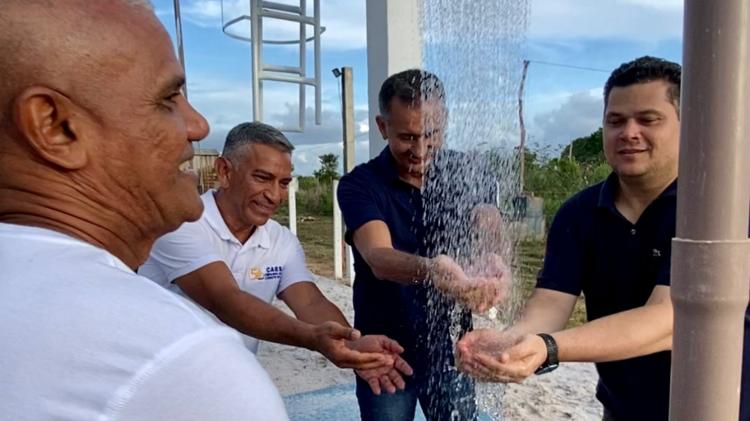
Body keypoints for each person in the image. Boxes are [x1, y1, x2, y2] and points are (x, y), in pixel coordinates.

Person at [0, 1, 288, 420]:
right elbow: (225, 300)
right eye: (168, 98)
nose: (199, 125)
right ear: (55, 127)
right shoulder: (181, 362)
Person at [457, 56, 750, 421]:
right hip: (621, 410)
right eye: (615, 121)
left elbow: (668, 321)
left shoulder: (716, 214)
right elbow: (551, 300)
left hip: (718, 410)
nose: (628, 132)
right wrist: (511, 341)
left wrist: (548, 347)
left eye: (648, 119)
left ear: (687, 124)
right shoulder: (579, 213)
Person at [139, 121, 411, 395]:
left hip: (227, 385)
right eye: (262, 178)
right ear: (224, 171)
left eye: (284, 183)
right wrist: (314, 339)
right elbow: (225, 300)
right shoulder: (181, 224)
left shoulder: (281, 241)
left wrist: (351, 344)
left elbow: (309, 300)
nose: (274, 195)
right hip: (156, 386)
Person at [337, 69, 508, 420]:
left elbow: (488, 219)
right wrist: (433, 271)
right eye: (407, 137)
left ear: (444, 122)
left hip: (452, 349)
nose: (420, 149)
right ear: (383, 127)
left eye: (432, 135)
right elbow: (378, 258)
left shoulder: (468, 170)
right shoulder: (360, 184)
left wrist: (494, 257)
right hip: (387, 353)